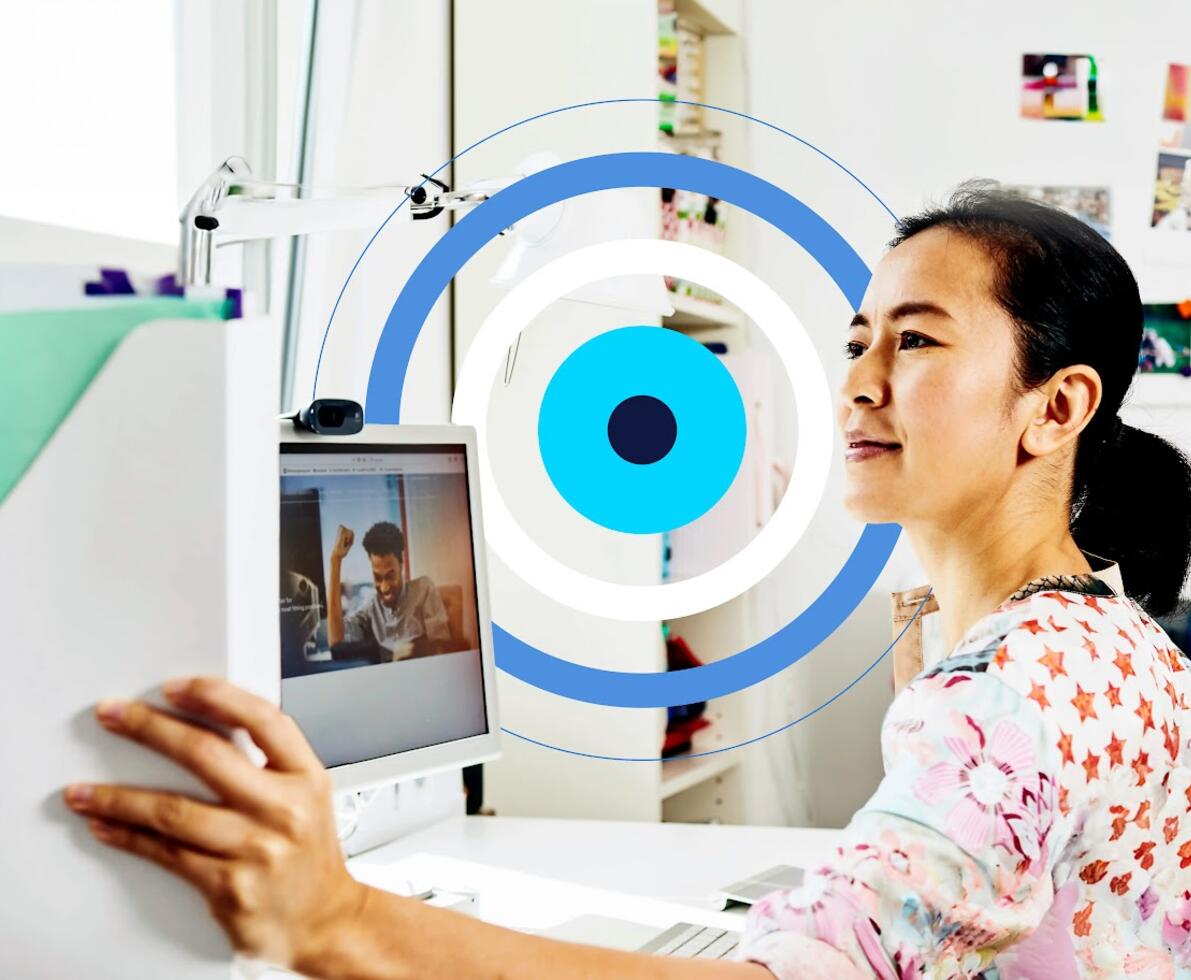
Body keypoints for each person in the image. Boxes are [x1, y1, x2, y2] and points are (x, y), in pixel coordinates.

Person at [64, 183, 1191, 978]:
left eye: (917, 342)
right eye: (856, 339)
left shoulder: (1014, 683)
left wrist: (339, 919)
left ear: (1057, 406)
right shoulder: (1104, 637)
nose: (858, 380)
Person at [327, 520, 451, 661]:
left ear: (401, 565)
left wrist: (414, 650)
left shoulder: (424, 589)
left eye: (390, 576)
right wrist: (335, 560)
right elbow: (336, 644)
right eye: (377, 578)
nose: (384, 587)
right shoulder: (371, 607)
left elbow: (442, 648)